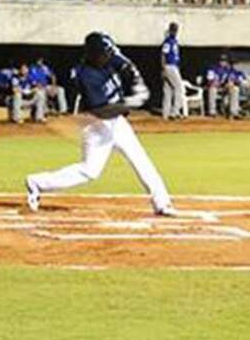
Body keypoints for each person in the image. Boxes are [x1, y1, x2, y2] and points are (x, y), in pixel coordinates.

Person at [25, 32, 177, 216]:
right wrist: (131, 102)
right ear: (93, 54)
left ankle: (162, 203)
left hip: (117, 122)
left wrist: (137, 81)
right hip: (97, 125)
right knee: (90, 171)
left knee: (141, 160)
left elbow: (126, 64)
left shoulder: (108, 57)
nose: (108, 57)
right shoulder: (85, 75)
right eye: (104, 54)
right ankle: (37, 183)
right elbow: (102, 111)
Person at [160, 22, 183, 120]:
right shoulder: (168, 41)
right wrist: (163, 68)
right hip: (170, 66)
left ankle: (166, 114)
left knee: (168, 90)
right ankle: (175, 112)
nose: (175, 31)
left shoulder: (174, 41)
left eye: (175, 30)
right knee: (179, 88)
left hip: (173, 66)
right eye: (173, 30)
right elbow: (163, 55)